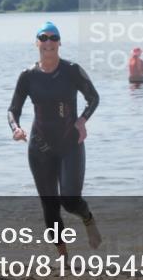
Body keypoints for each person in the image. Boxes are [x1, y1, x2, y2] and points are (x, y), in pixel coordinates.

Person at [7, 22, 102, 255]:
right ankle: (65, 258)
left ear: (59, 42)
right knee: (49, 207)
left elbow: (94, 98)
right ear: (36, 42)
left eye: (53, 37)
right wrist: (16, 128)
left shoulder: (72, 70)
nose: (48, 42)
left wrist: (82, 121)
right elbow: (12, 110)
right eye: (43, 37)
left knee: (69, 201)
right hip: (40, 147)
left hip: (70, 143)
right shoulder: (27, 76)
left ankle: (87, 218)